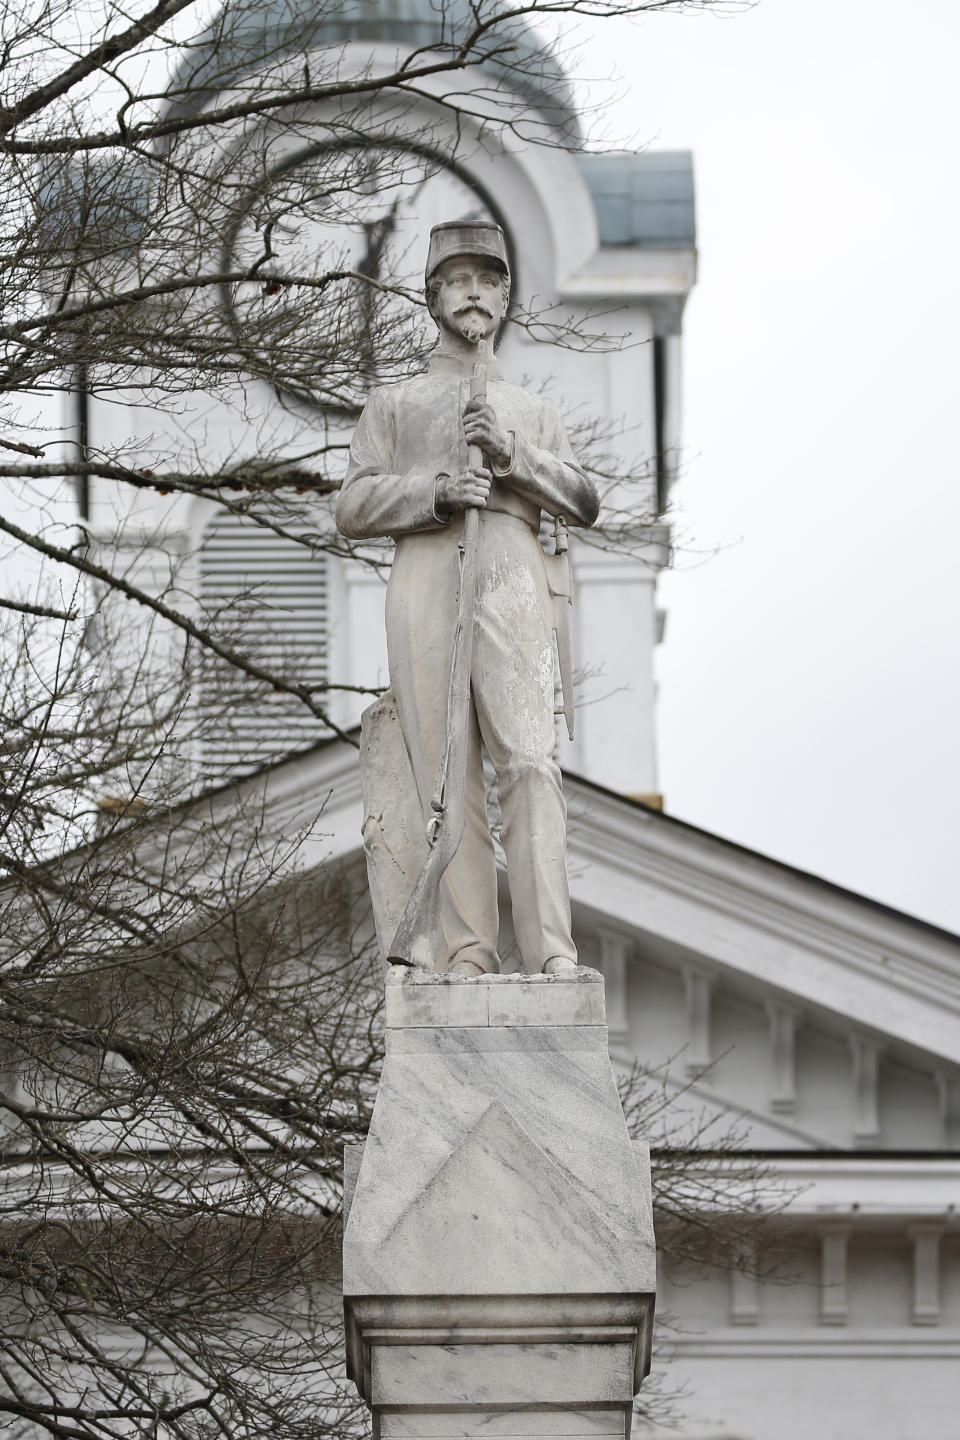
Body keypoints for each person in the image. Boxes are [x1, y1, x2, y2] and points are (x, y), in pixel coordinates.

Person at [336, 220, 599, 976]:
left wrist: (515, 458)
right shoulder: (396, 404)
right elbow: (351, 505)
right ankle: (468, 952)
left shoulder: (531, 408)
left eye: (487, 278)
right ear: (433, 296)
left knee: (529, 760)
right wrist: (437, 489)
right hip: (424, 572)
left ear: (506, 295)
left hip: (512, 566)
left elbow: (583, 498)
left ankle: (551, 948)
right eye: (458, 279)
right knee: (444, 773)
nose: (474, 291)